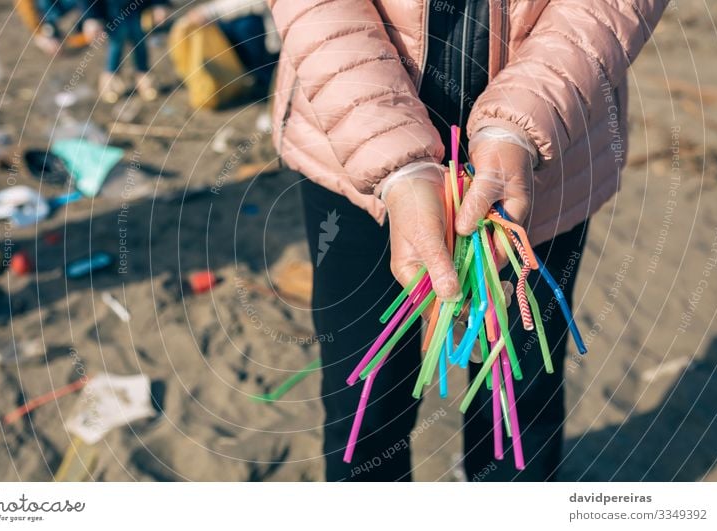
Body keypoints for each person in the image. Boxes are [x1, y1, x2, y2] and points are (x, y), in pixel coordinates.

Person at [267, 0, 668, 481]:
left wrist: (518, 128)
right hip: (351, 153)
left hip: (550, 155)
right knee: (364, 402)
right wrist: (397, 163)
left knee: (519, 396)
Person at [77, 0, 170, 102]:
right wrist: (91, 16)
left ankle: (144, 75)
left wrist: (159, 3)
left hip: (138, 7)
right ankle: (111, 78)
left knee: (139, 37)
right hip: (110, 7)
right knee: (117, 41)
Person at [185, 0, 279, 97]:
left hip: (272, 31)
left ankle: (269, 78)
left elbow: (259, 3)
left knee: (246, 26)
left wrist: (208, 12)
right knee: (221, 27)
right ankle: (254, 75)